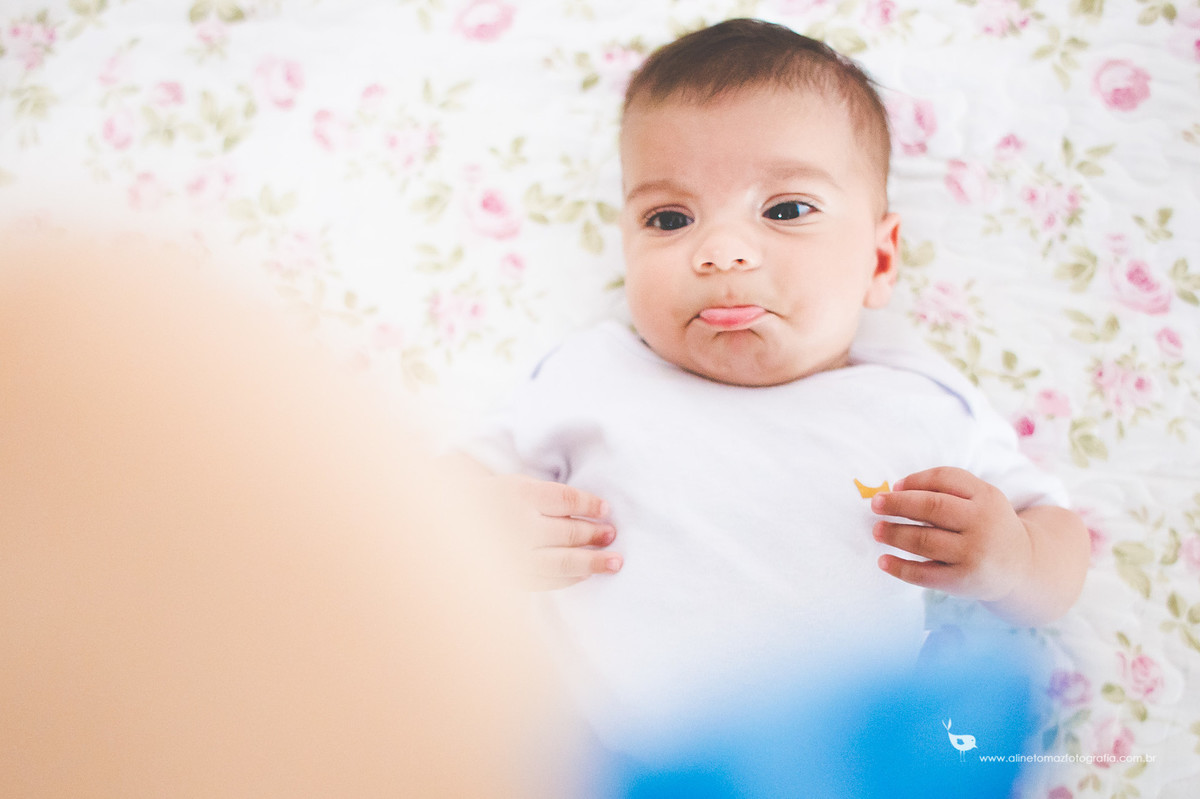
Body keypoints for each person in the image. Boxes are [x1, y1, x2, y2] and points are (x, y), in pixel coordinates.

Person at [467, 18, 1090, 750]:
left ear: (881, 261)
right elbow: (417, 506)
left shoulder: (917, 402)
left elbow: (1060, 551)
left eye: (786, 210)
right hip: (604, 756)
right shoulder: (590, 373)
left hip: (834, 763)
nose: (722, 250)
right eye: (670, 218)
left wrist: (1012, 555)